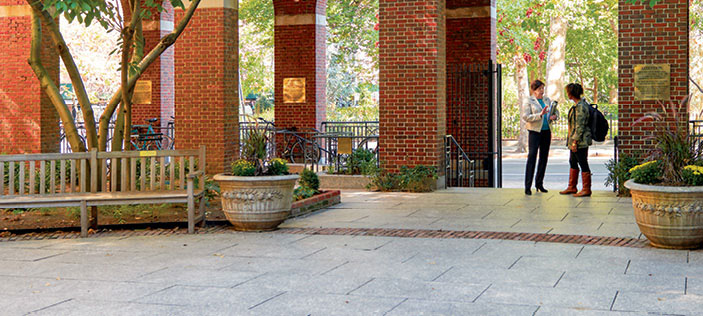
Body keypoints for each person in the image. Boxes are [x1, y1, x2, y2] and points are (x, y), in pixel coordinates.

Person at [521, 80, 559, 195]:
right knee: (532, 157)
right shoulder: (529, 100)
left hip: (546, 132)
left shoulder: (547, 100)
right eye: (539, 89)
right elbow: (525, 117)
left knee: (544, 158)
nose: (542, 91)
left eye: (543, 88)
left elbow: (556, 112)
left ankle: (539, 184)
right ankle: (528, 186)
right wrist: (540, 115)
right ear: (534, 90)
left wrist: (554, 116)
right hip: (535, 132)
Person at [560, 83, 592, 197]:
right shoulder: (577, 106)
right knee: (573, 161)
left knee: (583, 162)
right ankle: (572, 187)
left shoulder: (581, 107)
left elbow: (580, 126)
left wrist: (575, 142)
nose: (567, 94)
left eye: (568, 92)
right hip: (576, 141)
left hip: (580, 142)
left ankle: (586, 189)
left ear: (572, 93)